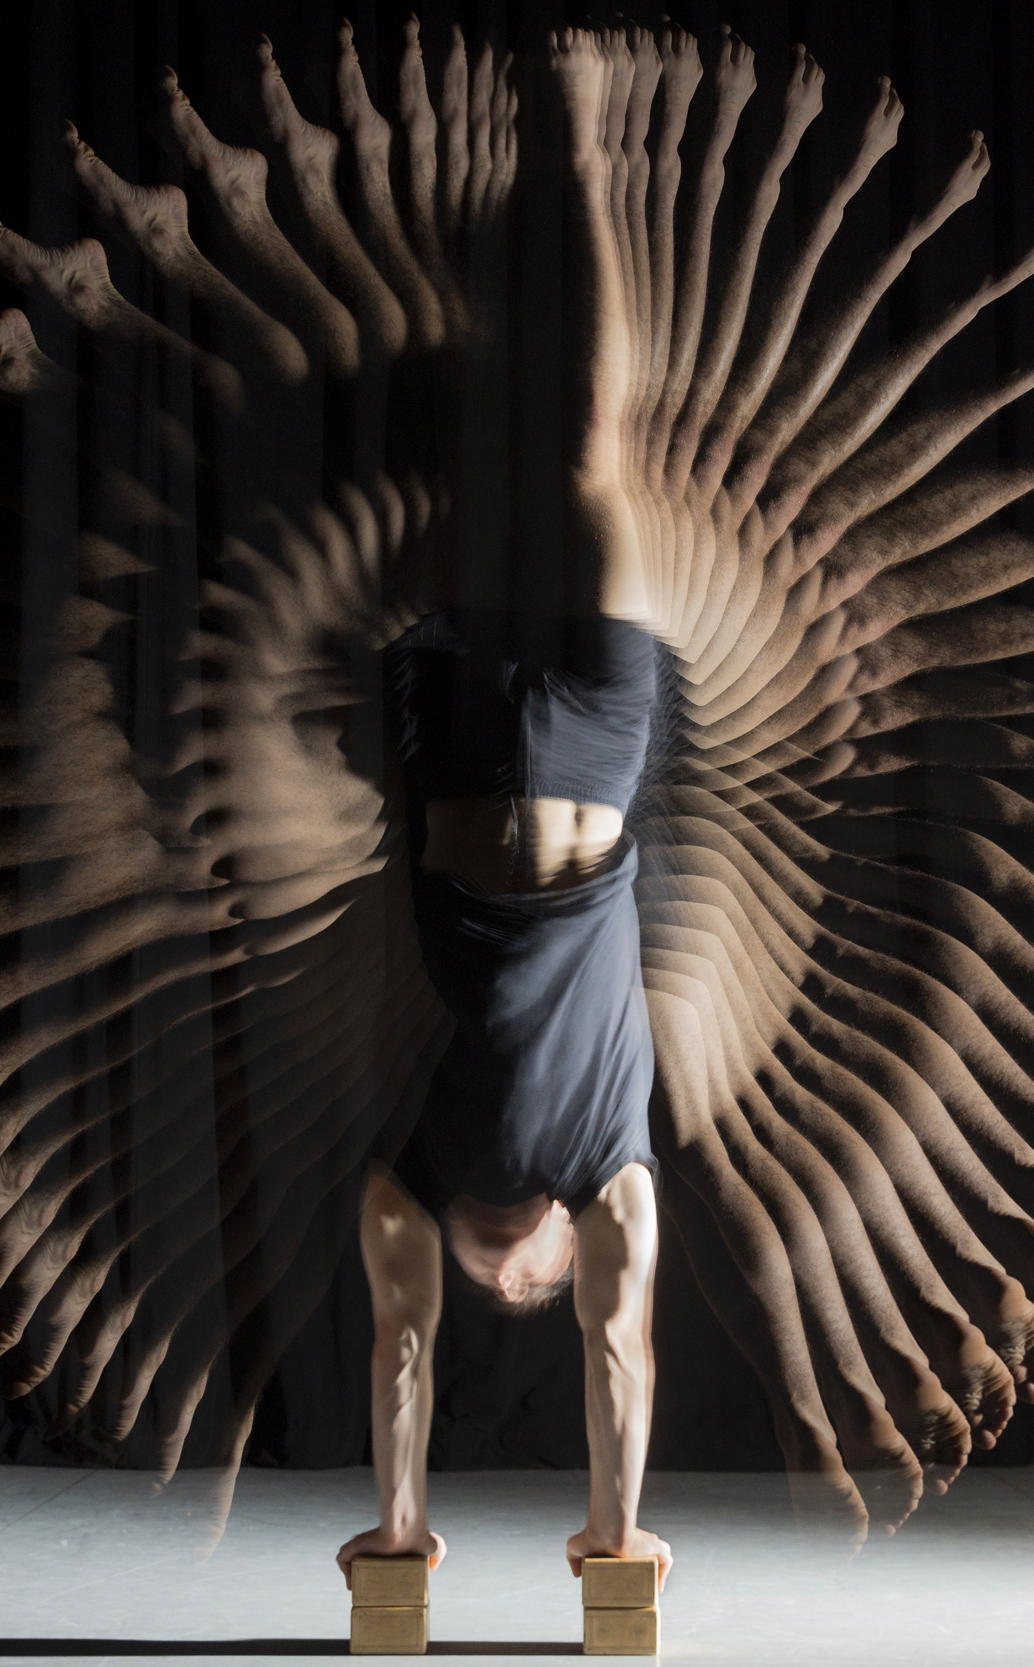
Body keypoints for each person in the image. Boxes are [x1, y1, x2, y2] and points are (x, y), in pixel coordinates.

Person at [334, 33, 676, 1591]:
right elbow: (621, 1351)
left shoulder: (422, 1180)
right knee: (593, 452)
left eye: (507, 1286)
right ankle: (585, 129)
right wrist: (615, 1534)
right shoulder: (610, 1167)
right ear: (555, 1258)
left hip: (464, 758)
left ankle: (506, 146)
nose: (509, 1282)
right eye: (533, 1284)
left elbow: (403, 1353)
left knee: (484, 451)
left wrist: (400, 1536)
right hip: (594, 767)